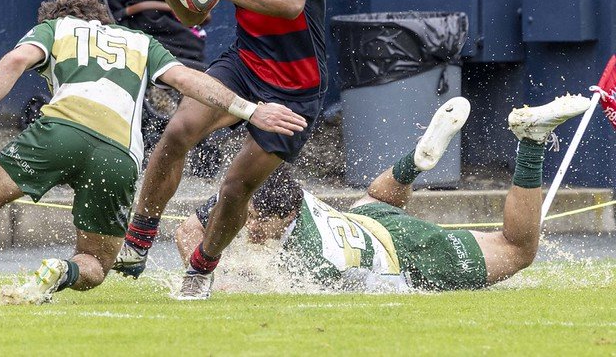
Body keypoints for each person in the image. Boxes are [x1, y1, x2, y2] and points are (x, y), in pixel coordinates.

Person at [0, 0, 307, 305]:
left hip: (61, 131)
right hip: (120, 156)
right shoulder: (142, 42)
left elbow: (16, 59)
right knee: (96, 263)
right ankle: (64, 271)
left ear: (57, 18)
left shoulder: (55, 28)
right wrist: (250, 109)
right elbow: (188, 80)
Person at [113, 0, 328, 299]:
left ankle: (201, 269)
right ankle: (138, 238)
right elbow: (193, 12)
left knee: (235, 186)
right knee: (177, 130)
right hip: (244, 63)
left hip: (297, 85)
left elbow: (290, 2)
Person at [173, 95, 591, 293]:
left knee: (517, 249)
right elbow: (185, 233)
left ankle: (532, 141)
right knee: (375, 199)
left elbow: (264, 283)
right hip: (368, 218)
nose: (251, 230)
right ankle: (415, 162)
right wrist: (205, 268)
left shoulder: (310, 262)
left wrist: (218, 279)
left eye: (259, 225)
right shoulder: (252, 195)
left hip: (410, 254)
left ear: (284, 216)